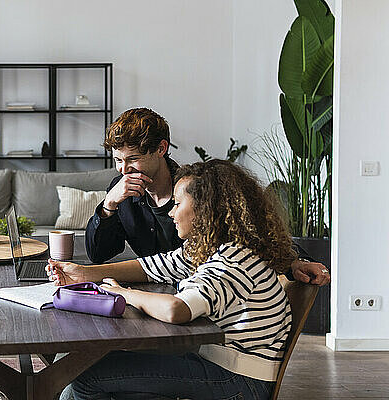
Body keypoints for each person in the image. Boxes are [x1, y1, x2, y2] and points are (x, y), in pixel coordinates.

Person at [48, 160, 303, 399]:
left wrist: (124, 293)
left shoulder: (231, 260)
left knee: (83, 377)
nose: (171, 212)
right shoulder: (215, 247)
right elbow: (153, 266)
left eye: (178, 204)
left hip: (238, 380)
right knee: (98, 366)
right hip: (222, 361)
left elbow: (175, 309)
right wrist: (81, 273)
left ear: (205, 210)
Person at [85, 107, 330, 285]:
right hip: (156, 295)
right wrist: (108, 206)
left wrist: (295, 262)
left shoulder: (197, 188)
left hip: (205, 302)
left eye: (133, 159)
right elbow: (98, 255)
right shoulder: (120, 191)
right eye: (118, 160)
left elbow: (251, 231)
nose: (123, 169)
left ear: (161, 149)